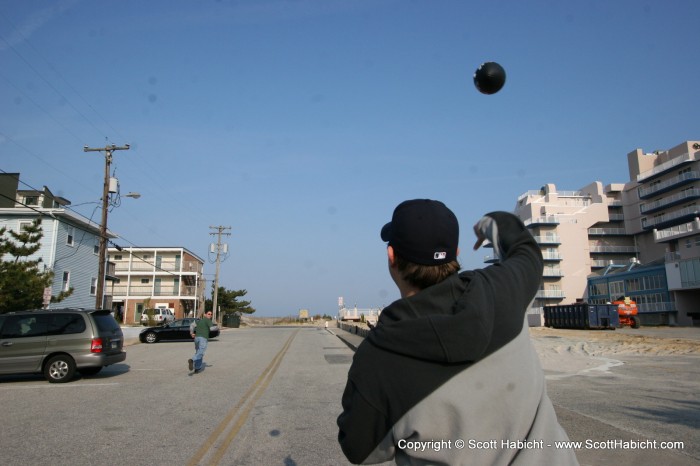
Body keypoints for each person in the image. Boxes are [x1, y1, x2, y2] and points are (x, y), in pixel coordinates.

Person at [337, 199, 577, 465]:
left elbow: (358, 447)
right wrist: (491, 223)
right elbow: (526, 251)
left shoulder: (379, 358)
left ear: (391, 256)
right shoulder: (502, 289)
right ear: (456, 253)